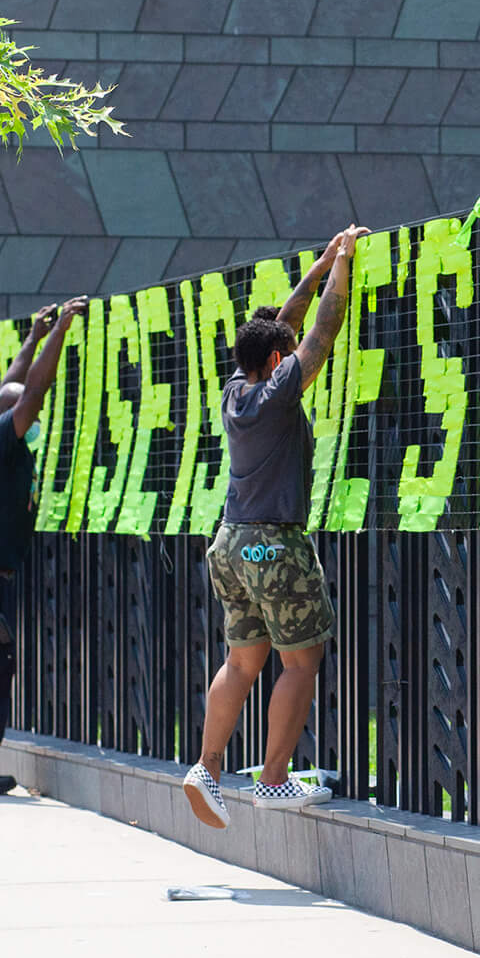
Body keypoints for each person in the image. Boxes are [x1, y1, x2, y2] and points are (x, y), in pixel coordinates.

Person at [183, 226, 369, 827]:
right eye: (282, 356)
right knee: (300, 662)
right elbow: (321, 331)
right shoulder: (281, 390)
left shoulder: (238, 388)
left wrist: (314, 269)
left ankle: (207, 768)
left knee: (241, 662)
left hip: (229, 543)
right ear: (276, 362)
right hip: (273, 545)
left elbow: (282, 326)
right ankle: (272, 778)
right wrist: (342, 262)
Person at [0, 297, 87, 796]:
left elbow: (15, 385)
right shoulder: (1, 439)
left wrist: (31, 337)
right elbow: (32, 394)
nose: (35, 418)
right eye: (26, 413)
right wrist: (61, 329)